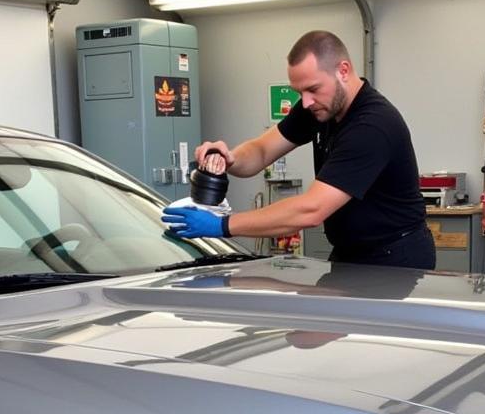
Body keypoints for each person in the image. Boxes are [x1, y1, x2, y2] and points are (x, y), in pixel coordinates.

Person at [161, 30, 435, 270]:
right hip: (350, 253)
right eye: (299, 91)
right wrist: (230, 158)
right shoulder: (319, 108)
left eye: (313, 89)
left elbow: (310, 210)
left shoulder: (373, 125)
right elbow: (261, 151)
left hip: (396, 258)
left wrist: (222, 225)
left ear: (343, 70)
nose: (305, 102)